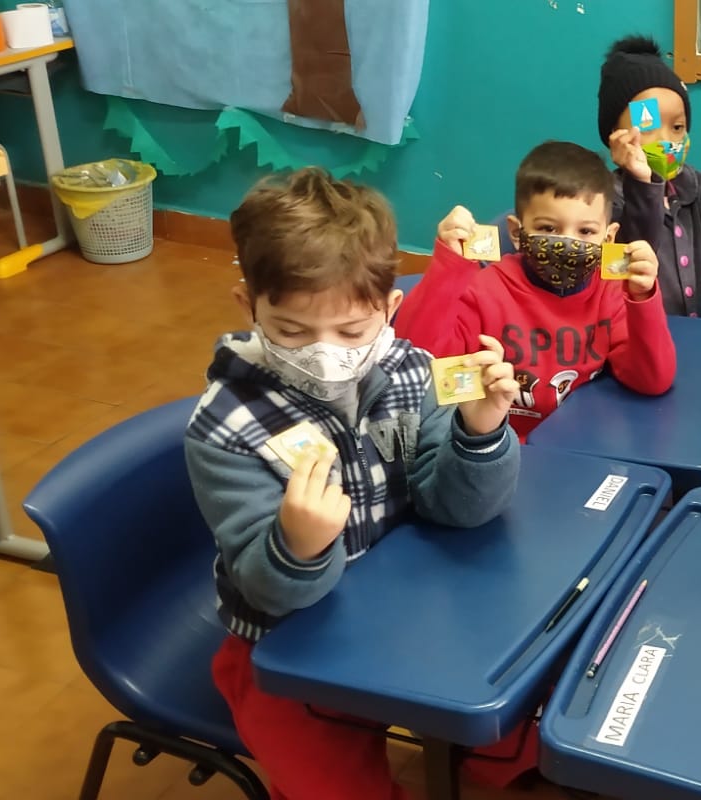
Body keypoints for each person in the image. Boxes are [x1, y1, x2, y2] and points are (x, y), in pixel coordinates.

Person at [187, 168, 522, 799]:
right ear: (248, 305)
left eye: (350, 332)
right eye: (291, 330)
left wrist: (478, 433)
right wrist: (296, 544)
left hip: (400, 606)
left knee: (505, 720)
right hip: (284, 650)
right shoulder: (226, 426)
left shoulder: (413, 371)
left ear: (389, 308)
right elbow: (262, 585)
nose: (324, 353)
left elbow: (458, 509)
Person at [395, 140, 677, 440]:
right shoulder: (485, 291)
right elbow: (416, 365)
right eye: (548, 228)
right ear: (516, 233)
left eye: (585, 231)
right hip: (490, 447)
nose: (567, 244)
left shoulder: (610, 292)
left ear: (608, 238)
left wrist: (643, 298)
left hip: (580, 446)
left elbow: (652, 380)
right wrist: (448, 265)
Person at [600, 34, 701, 316]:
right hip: (645, 333)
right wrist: (643, 183)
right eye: (648, 126)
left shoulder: (691, 184)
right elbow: (629, 260)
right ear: (614, 135)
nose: (666, 141)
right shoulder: (602, 199)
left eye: (677, 127)